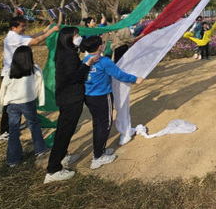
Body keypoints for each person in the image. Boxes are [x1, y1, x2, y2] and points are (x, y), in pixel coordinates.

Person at [44, 27, 101, 184]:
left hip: (66, 97)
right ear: (68, 38)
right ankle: (53, 169)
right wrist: (88, 63)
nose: (78, 37)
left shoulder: (65, 53)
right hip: (71, 99)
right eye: (76, 35)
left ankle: (62, 156)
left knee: (65, 130)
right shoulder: (68, 55)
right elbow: (75, 76)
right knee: (64, 132)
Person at [81, 36, 143, 169]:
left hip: (89, 97)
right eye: (102, 43)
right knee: (105, 124)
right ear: (100, 47)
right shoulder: (104, 61)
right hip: (102, 97)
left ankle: (99, 150)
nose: (104, 45)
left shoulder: (85, 60)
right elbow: (119, 74)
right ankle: (98, 157)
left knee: (97, 124)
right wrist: (135, 79)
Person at [0, 17, 58, 141]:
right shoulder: (13, 38)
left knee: (17, 101)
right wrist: (51, 32)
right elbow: (35, 41)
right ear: (13, 27)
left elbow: (32, 36)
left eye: (24, 25)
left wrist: (45, 30)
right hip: (11, 74)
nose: (24, 28)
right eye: (22, 26)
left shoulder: (16, 36)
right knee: (10, 103)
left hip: (18, 73)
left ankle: (13, 124)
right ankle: (4, 131)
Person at [0, 46, 49, 167]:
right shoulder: (35, 70)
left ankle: (13, 159)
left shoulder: (10, 72)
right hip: (27, 102)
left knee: (13, 130)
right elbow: (40, 86)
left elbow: (3, 90)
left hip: (12, 104)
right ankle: (40, 149)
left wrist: (0, 108)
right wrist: (41, 101)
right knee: (34, 125)